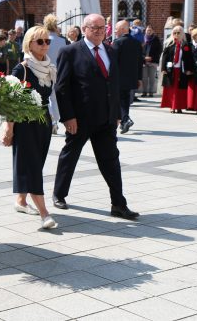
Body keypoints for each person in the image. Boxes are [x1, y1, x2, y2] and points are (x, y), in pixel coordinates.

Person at [52, 14, 139, 220]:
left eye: (102, 27)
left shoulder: (110, 50)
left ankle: (118, 203)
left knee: (111, 161)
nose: (100, 31)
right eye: (95, 27)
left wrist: (117, 113)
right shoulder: (70, 52)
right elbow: (62, 88)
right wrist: (68, 117)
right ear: (85, 29)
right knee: (70, 156)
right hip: (80, 119)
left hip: (106, 119)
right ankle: (59, 193)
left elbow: (114, 84)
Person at [2, 25, 57, 229]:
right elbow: (10, 100)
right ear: (29, 44)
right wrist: (9, 128)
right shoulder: (22, 68)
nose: (45, 45)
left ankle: (21, 201)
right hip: (24, 121)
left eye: (47, 41)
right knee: (32, 167)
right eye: (40, 41)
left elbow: (51, 97)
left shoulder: (50, 67)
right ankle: (45, 214)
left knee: (36, 163)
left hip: (43, 120)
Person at [112, 20, 143, 133]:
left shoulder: (117, 42)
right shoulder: (136, 43)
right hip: (131, 78)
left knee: (119, 100)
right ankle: (124, 121)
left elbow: (112, 62)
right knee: (124, 100)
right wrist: (139, 78)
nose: (115, 31)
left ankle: (125, 119)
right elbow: (140, 62)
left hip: (118, 78)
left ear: (123, 29)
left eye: (116, 29)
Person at [160, 26, 195, 113]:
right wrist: (163, 68)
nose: (176, 35)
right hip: (171, 70)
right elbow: (165, 57)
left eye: (178, 33)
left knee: (180, 89)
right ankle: (172, 106)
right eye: (174, 33)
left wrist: (189, 69)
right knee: (172, 89)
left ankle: (179, 106)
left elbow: (189, 58)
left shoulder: (187, 45)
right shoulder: (169, 44)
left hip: (181, 70)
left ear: (182, 34)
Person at [141, 25, 162, 98]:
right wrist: (144, 58)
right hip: (144, 62)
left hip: (153, 61)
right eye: (147, 30)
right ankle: (144, 92)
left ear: (153, 31)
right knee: (144, 78)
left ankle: (151, 92)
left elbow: (159, 51)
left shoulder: (156, 39)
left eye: (150, 30)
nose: (148, 32)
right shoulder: (143, 39)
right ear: (145, 31)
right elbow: (139, 51)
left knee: (152, 78)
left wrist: (152, 58)